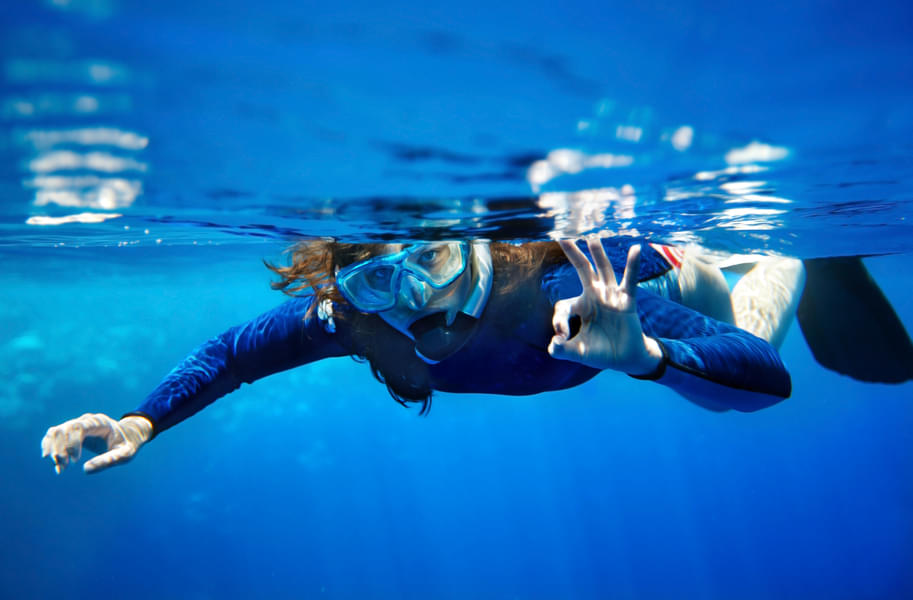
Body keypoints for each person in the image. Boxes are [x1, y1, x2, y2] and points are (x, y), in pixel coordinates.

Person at [41, 237, 796, 475]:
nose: (410, 295)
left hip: (668, 276)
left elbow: (766, 385)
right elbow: (232, 355)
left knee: (750, 331)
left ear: (471, 240)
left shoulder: (560, 290)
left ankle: (786, 255)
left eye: (428, 259)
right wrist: (142, 421)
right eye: (376, 279)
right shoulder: (353, 321)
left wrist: (649, 355)